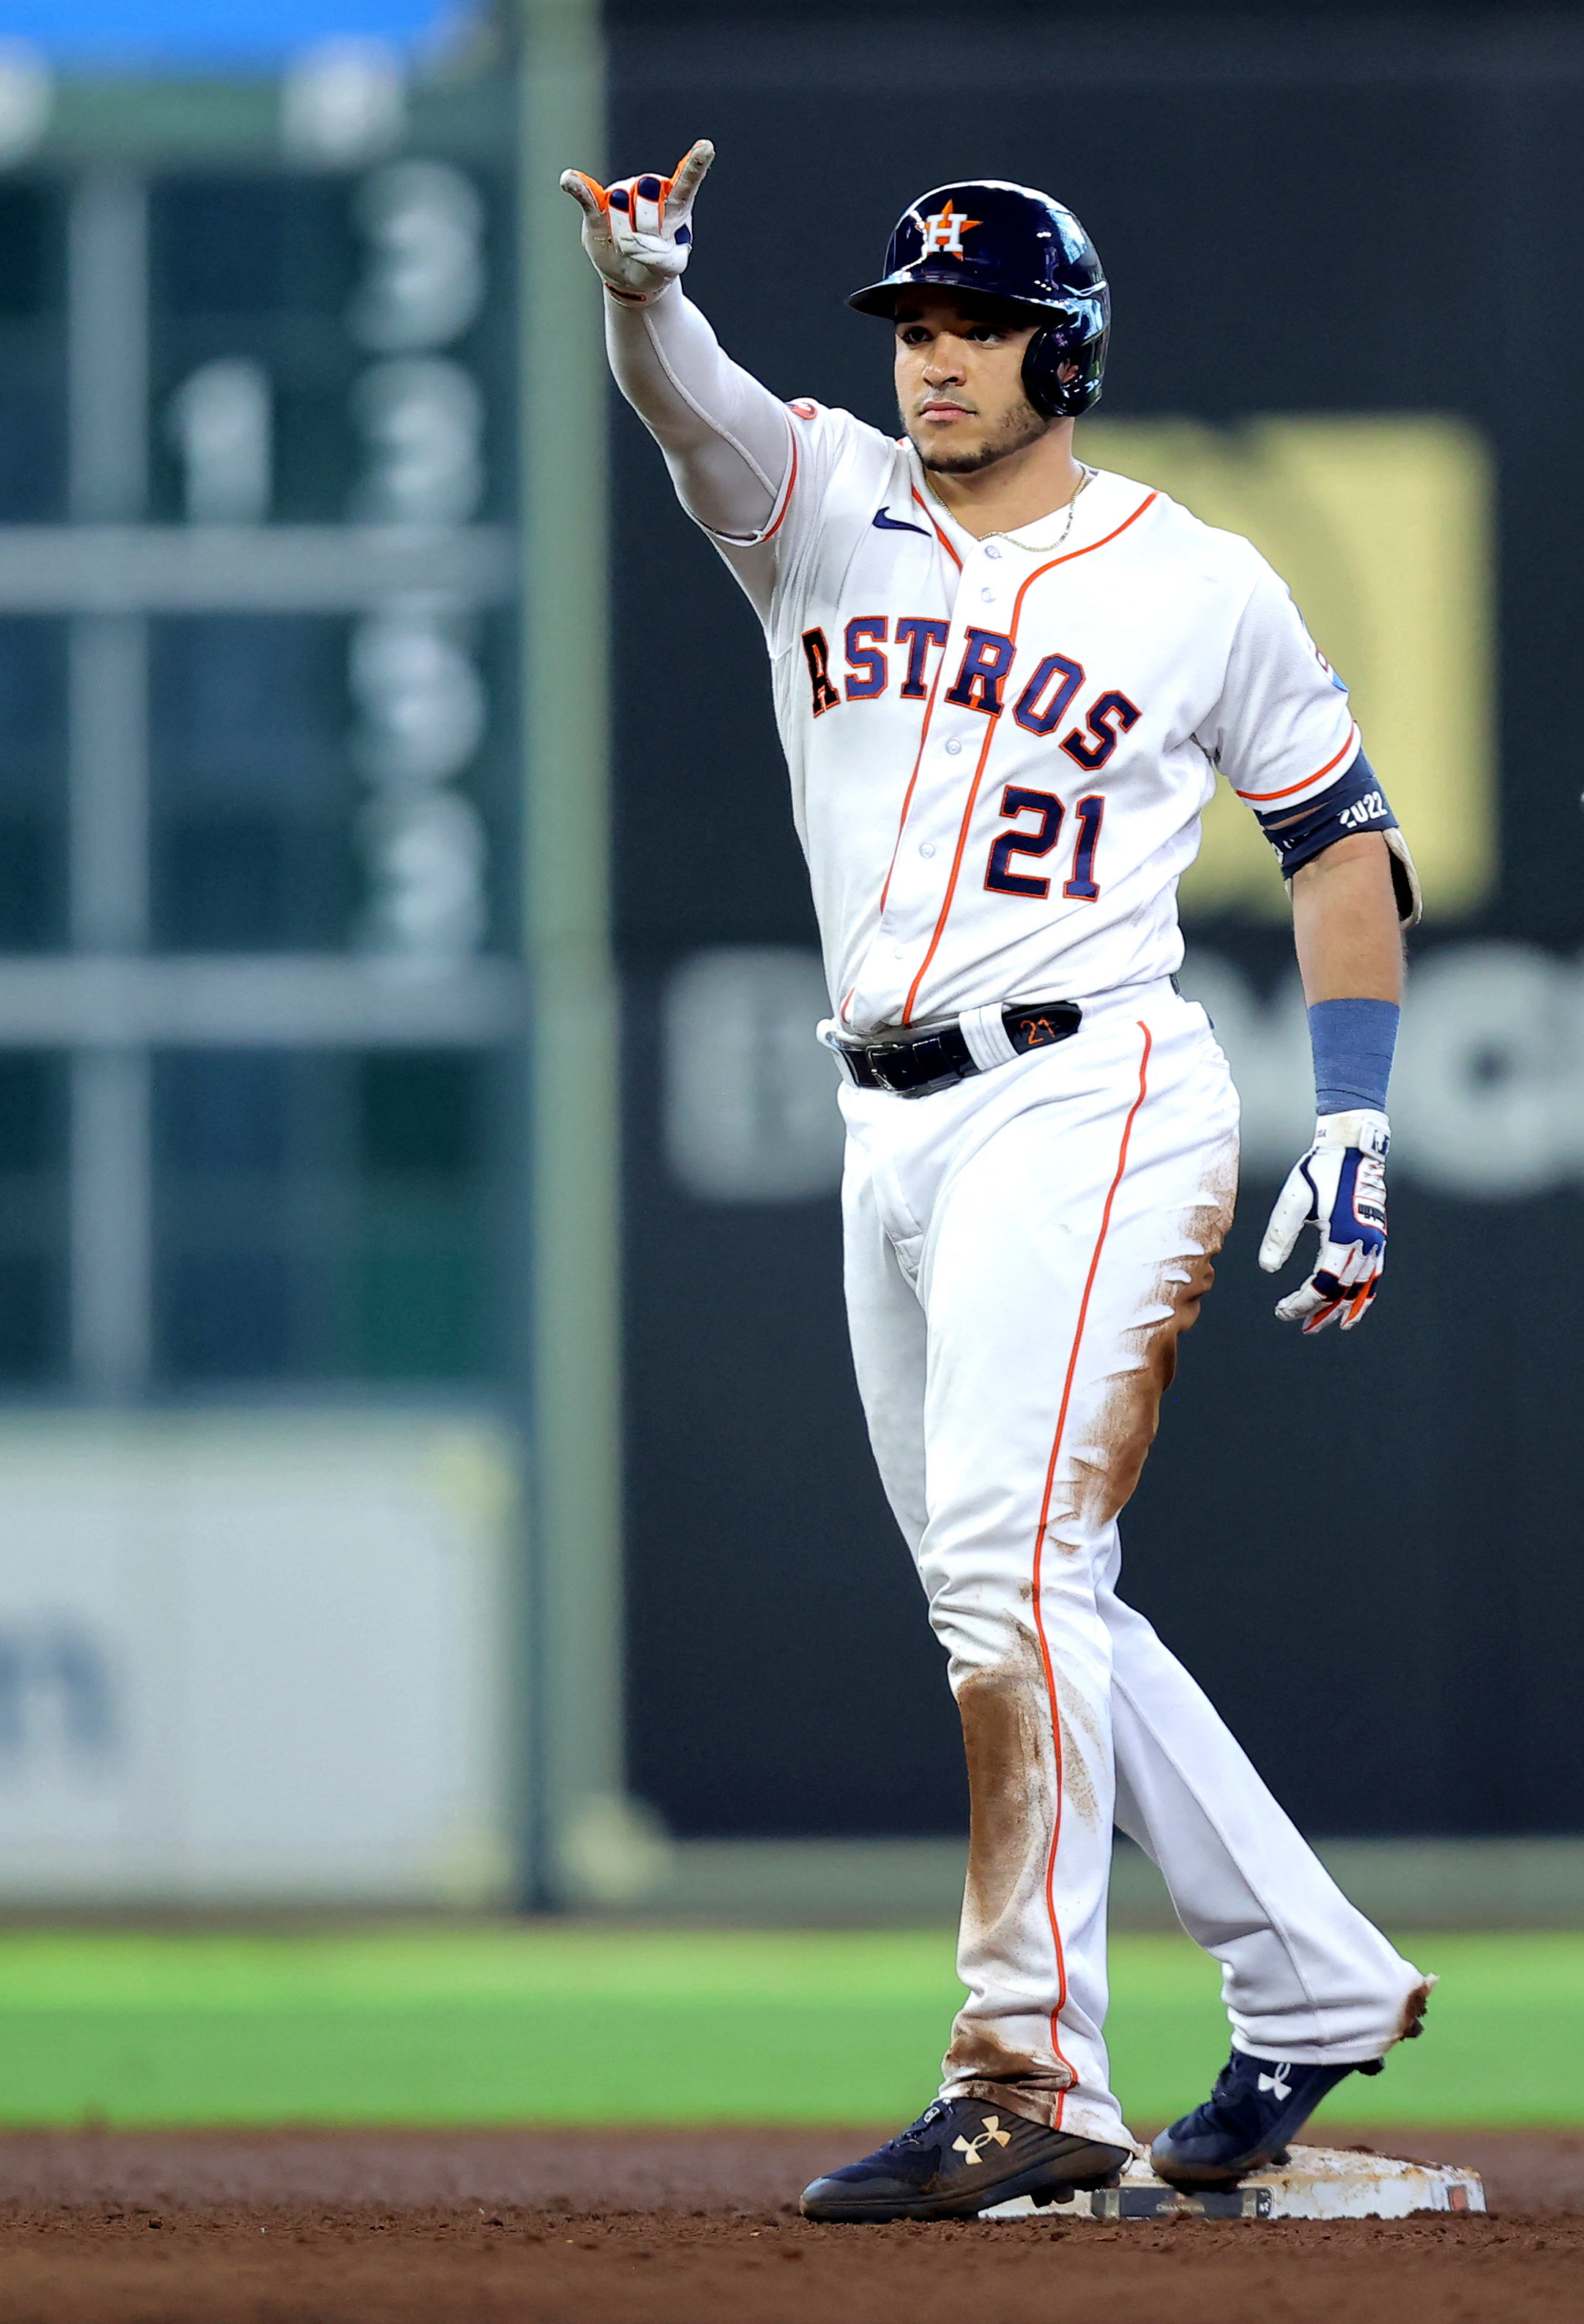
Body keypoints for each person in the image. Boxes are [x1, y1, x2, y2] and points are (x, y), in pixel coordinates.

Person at [566, 145, 1432, 2224]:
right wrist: (637, 293)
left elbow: (1342, 845)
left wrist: (1359, 1125)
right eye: (914, 326)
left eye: (974, 327)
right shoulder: (818, 506)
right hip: (889, 1118)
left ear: (1070, 348)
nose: (934, 359)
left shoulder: (1198, 578)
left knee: (1006, 1568)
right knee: (1031, 1589)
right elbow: (690, 397)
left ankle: (1031, 2066)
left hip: (1093, 1093)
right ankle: (1311, 1979)